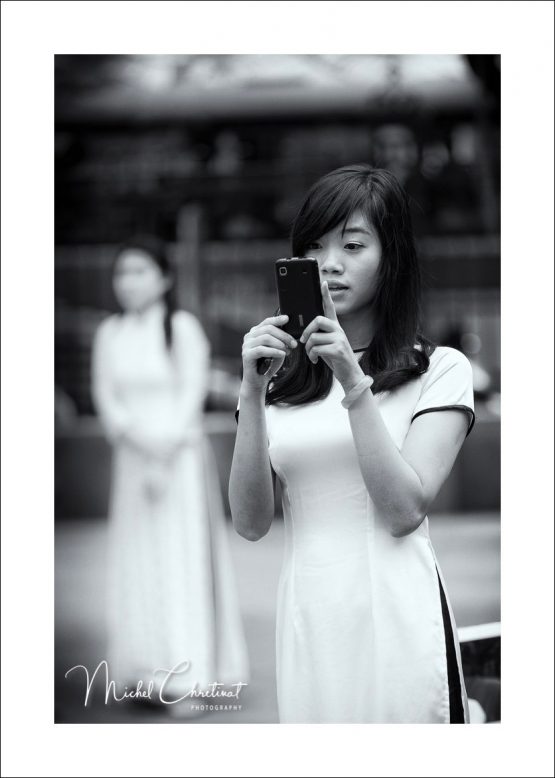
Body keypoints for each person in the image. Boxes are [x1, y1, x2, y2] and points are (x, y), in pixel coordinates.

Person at [229, 164, 475, 724]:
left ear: (392, 258)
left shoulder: (438, 369)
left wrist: (352, 379)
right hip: (310, 616)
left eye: (353, 244)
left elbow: (403, 510)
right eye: (314, 247)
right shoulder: (275, 381)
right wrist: (250, 386)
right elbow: (249, 521)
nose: (330, 263)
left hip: (399, 613)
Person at [91, 235, 249, 717]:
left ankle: (190, 674)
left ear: (164, 278)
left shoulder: (181, 327)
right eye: (122, 272)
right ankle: (144, 670)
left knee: (182, 560)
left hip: (178, 463)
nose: (129, 282)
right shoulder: (110, 333)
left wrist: (162, 455)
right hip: (133, 463)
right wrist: (139, 445)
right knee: (139, 561)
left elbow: (189, 398)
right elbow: (106, 399)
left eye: (139, 271)